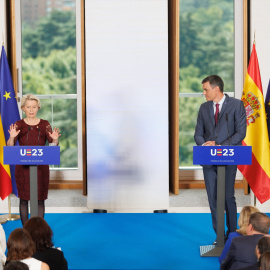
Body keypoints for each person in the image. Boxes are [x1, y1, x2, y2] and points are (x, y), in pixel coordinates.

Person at [194, 75, 247, 243]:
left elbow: (241, 132)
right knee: (213, 197)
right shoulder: (203, 108)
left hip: (229, 157)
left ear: (216, 89)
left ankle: (232, 234)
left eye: (206, 89)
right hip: (208, 159)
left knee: (227, 197)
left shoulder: (236, 105)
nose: (204, 93)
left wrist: (218, 144)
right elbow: (198, 134)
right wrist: (205, 145)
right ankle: (219, 236)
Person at [7, 94, 61, 225]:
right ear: (23, 108)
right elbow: (10, 146)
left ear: (38, 108)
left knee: (40, 200)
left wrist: (54, 139)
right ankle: (26, 232)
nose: (31, 110)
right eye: (28, 107)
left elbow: (53, 147)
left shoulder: (45, 124)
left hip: (41, 169)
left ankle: (39, 232)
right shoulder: (18, 124)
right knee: (24, 200)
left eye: (34, 107)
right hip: (23, 169)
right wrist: (12, 137)